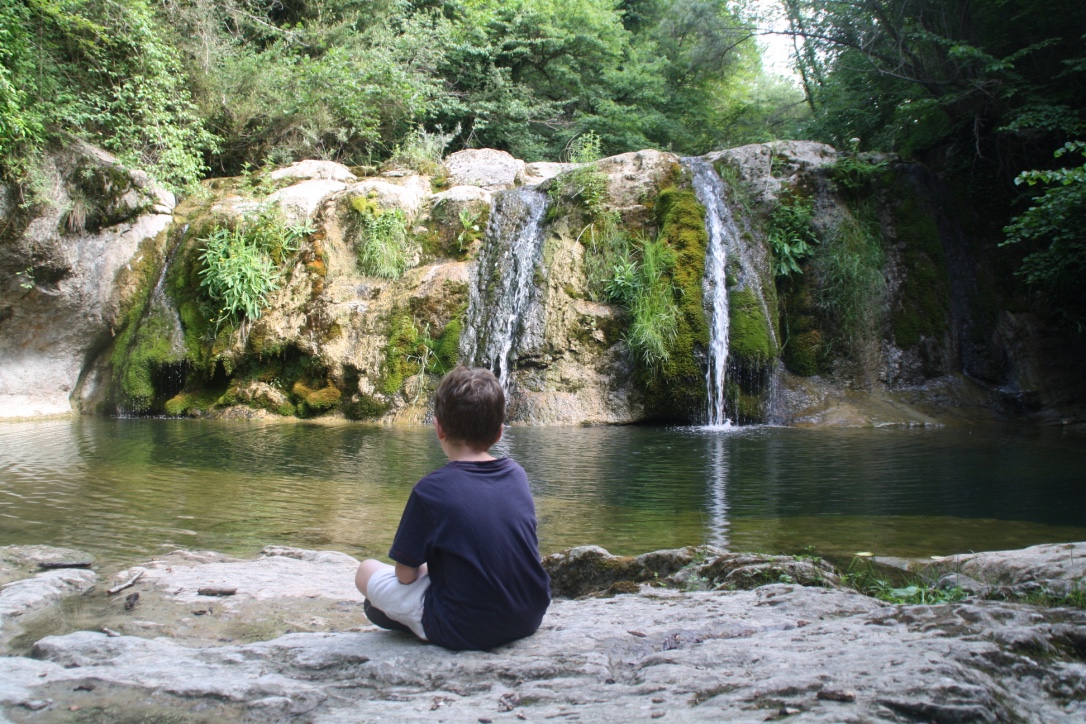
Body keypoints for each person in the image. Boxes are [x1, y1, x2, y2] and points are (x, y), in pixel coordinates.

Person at [354, 366, 551, 650]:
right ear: (499, 433)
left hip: (462, 627)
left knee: (366, 569)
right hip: (529, 616)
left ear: (438, 428)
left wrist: (424, 568)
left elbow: (404, 575)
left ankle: (414, 619)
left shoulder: (430, 490)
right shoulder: (517, 475)